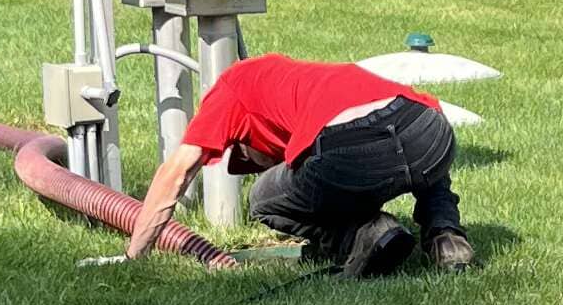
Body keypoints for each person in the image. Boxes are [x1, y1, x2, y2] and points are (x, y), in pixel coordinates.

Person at [123, 53, 474, 275]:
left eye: (249, 160)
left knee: (263, 197)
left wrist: (135, 252)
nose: (263, 165)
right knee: (424, 156)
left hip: (352, 149)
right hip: (430, 128)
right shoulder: (305, 80)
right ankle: (447, 238)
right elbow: (427, 113)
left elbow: (178, 170)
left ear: (244, 141)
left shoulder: (232, 87)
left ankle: (365, 236)